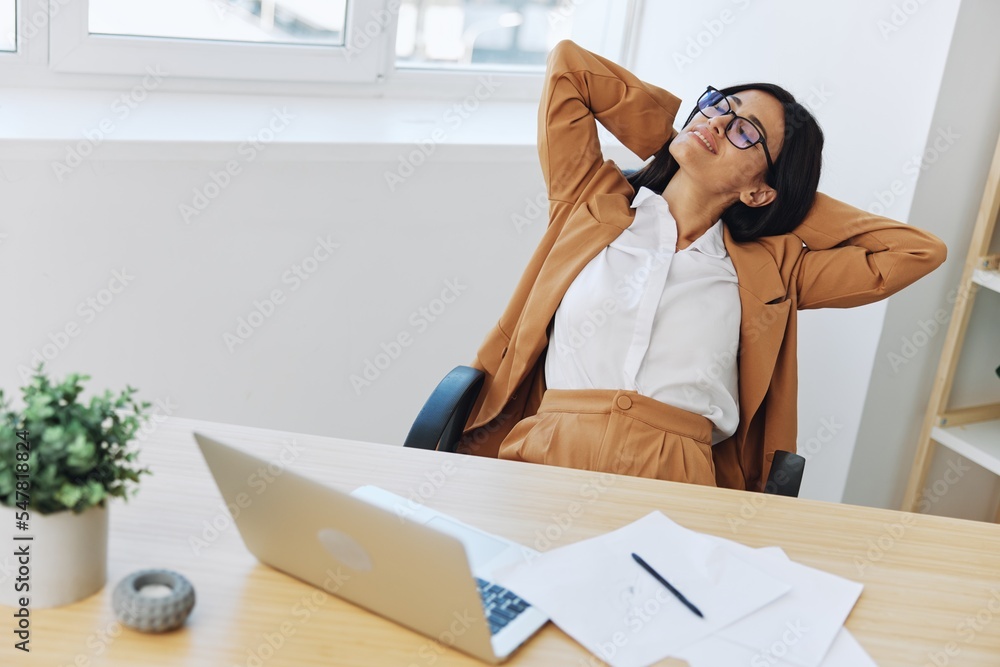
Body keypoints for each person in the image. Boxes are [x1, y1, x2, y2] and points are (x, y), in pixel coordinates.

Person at [455, 40, 947, 492]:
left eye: (743, 131)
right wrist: (672, 140)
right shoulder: (590, 202)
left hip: (677, 481)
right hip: (545, 455)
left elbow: (917, 252)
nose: (714, 122)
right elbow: (569, 66)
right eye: (717, 106)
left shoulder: (771, 274)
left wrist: (786, 201)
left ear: (759, 189)